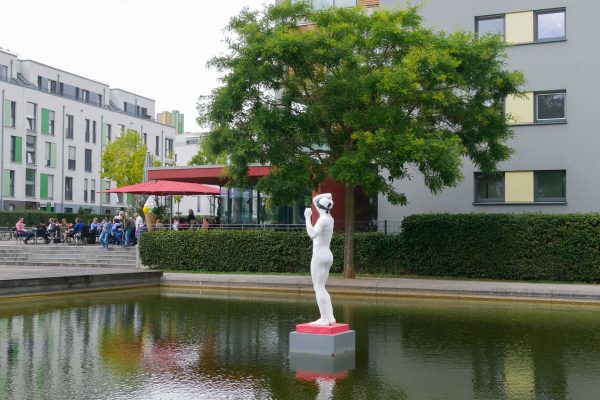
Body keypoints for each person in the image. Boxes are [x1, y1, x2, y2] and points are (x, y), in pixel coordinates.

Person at [304, 193, 336, 326]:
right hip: (327, 254)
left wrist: (307, 218)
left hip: (319, 255)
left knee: (318, 288)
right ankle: (330, 317)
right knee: (322, 287)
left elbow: (312, 234)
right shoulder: (329, 218)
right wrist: (327, 195)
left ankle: (324, 319)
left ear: (320, 208)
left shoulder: (322, 220)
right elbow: (315, 199)